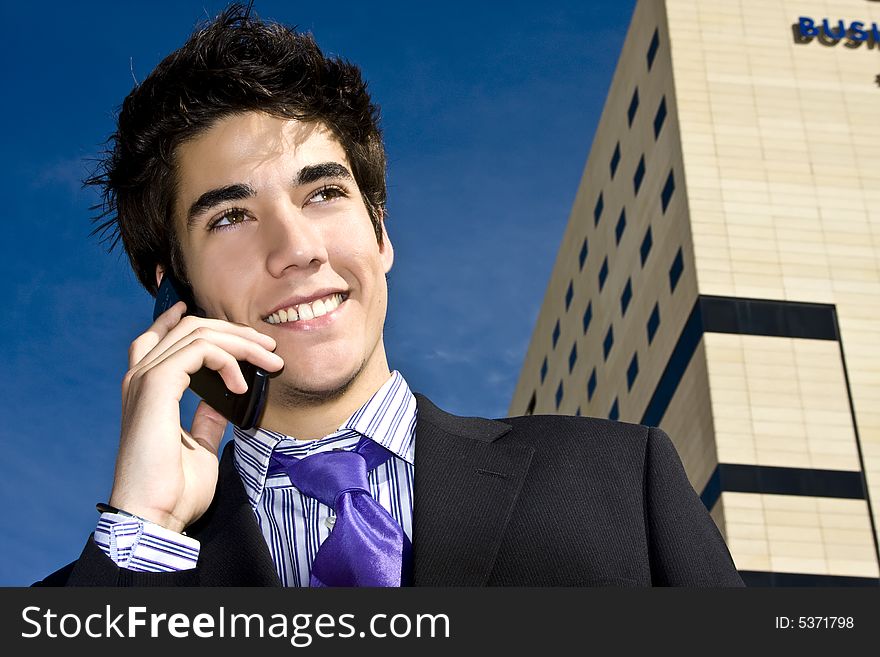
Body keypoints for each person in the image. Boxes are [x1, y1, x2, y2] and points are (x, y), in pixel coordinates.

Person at [35, 5, 742, 587]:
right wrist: (144, 532)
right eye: (230, 216)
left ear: (380, 232)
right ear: (174, 290)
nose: (297, 248)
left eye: (324, 193)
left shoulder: (620, 480)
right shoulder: (107, 578)